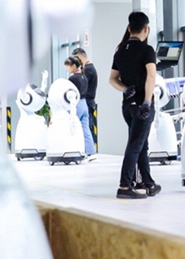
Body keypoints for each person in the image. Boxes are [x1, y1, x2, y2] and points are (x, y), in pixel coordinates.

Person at [109, 11, 161, 199]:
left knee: (140, 143)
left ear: (129, 28)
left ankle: (147, 182)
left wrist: (124, 89)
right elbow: (151, 76)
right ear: (146, 29)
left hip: (127, 106)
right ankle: (124, 186)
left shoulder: (120, 51)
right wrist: (147, 101)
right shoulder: (147, 50)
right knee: (135, 144)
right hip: (141, 106)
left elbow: (112, 79)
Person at [64, 55, 97, 159]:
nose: (66, 68)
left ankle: (72, 150)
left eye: (68, 66)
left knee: (71, 127)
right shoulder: (84, 77)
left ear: (74, 66)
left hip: (76, 104)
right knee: (85, 129)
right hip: (84, 104)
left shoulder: (72, 78)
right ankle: (91, 152)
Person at [72, 47, 98, 150]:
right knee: (86, 128)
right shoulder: (89, 68)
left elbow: (81, 87)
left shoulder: (87, 70)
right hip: (88, 102)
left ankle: (88, 150)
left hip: (86, 102)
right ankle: (89, 150)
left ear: (80, 57)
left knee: (85, 128)